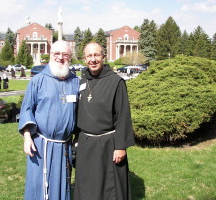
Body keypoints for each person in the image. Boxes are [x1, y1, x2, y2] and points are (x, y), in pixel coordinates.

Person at [18, 40, 79, 200]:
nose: (60, 57)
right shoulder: (38, 81)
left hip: (64, 145)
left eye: (65, 54)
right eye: (56, 53)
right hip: (41, 145)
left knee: (62, 185)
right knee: (39, 185)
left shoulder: (75, 82)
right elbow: (26, 109)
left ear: (70, 57)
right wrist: (26, 137)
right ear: (51, 55)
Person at [74, 42, 135, 200]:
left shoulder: (116, 82)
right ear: (84, 59)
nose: (93, 59)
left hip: (108, 145)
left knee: (109, 188)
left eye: (96, 55)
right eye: (89, 56)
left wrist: (121, 146)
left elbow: (123, 115)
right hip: (85, 144)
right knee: (87, 185)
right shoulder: (81, 82)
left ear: (103, 57)